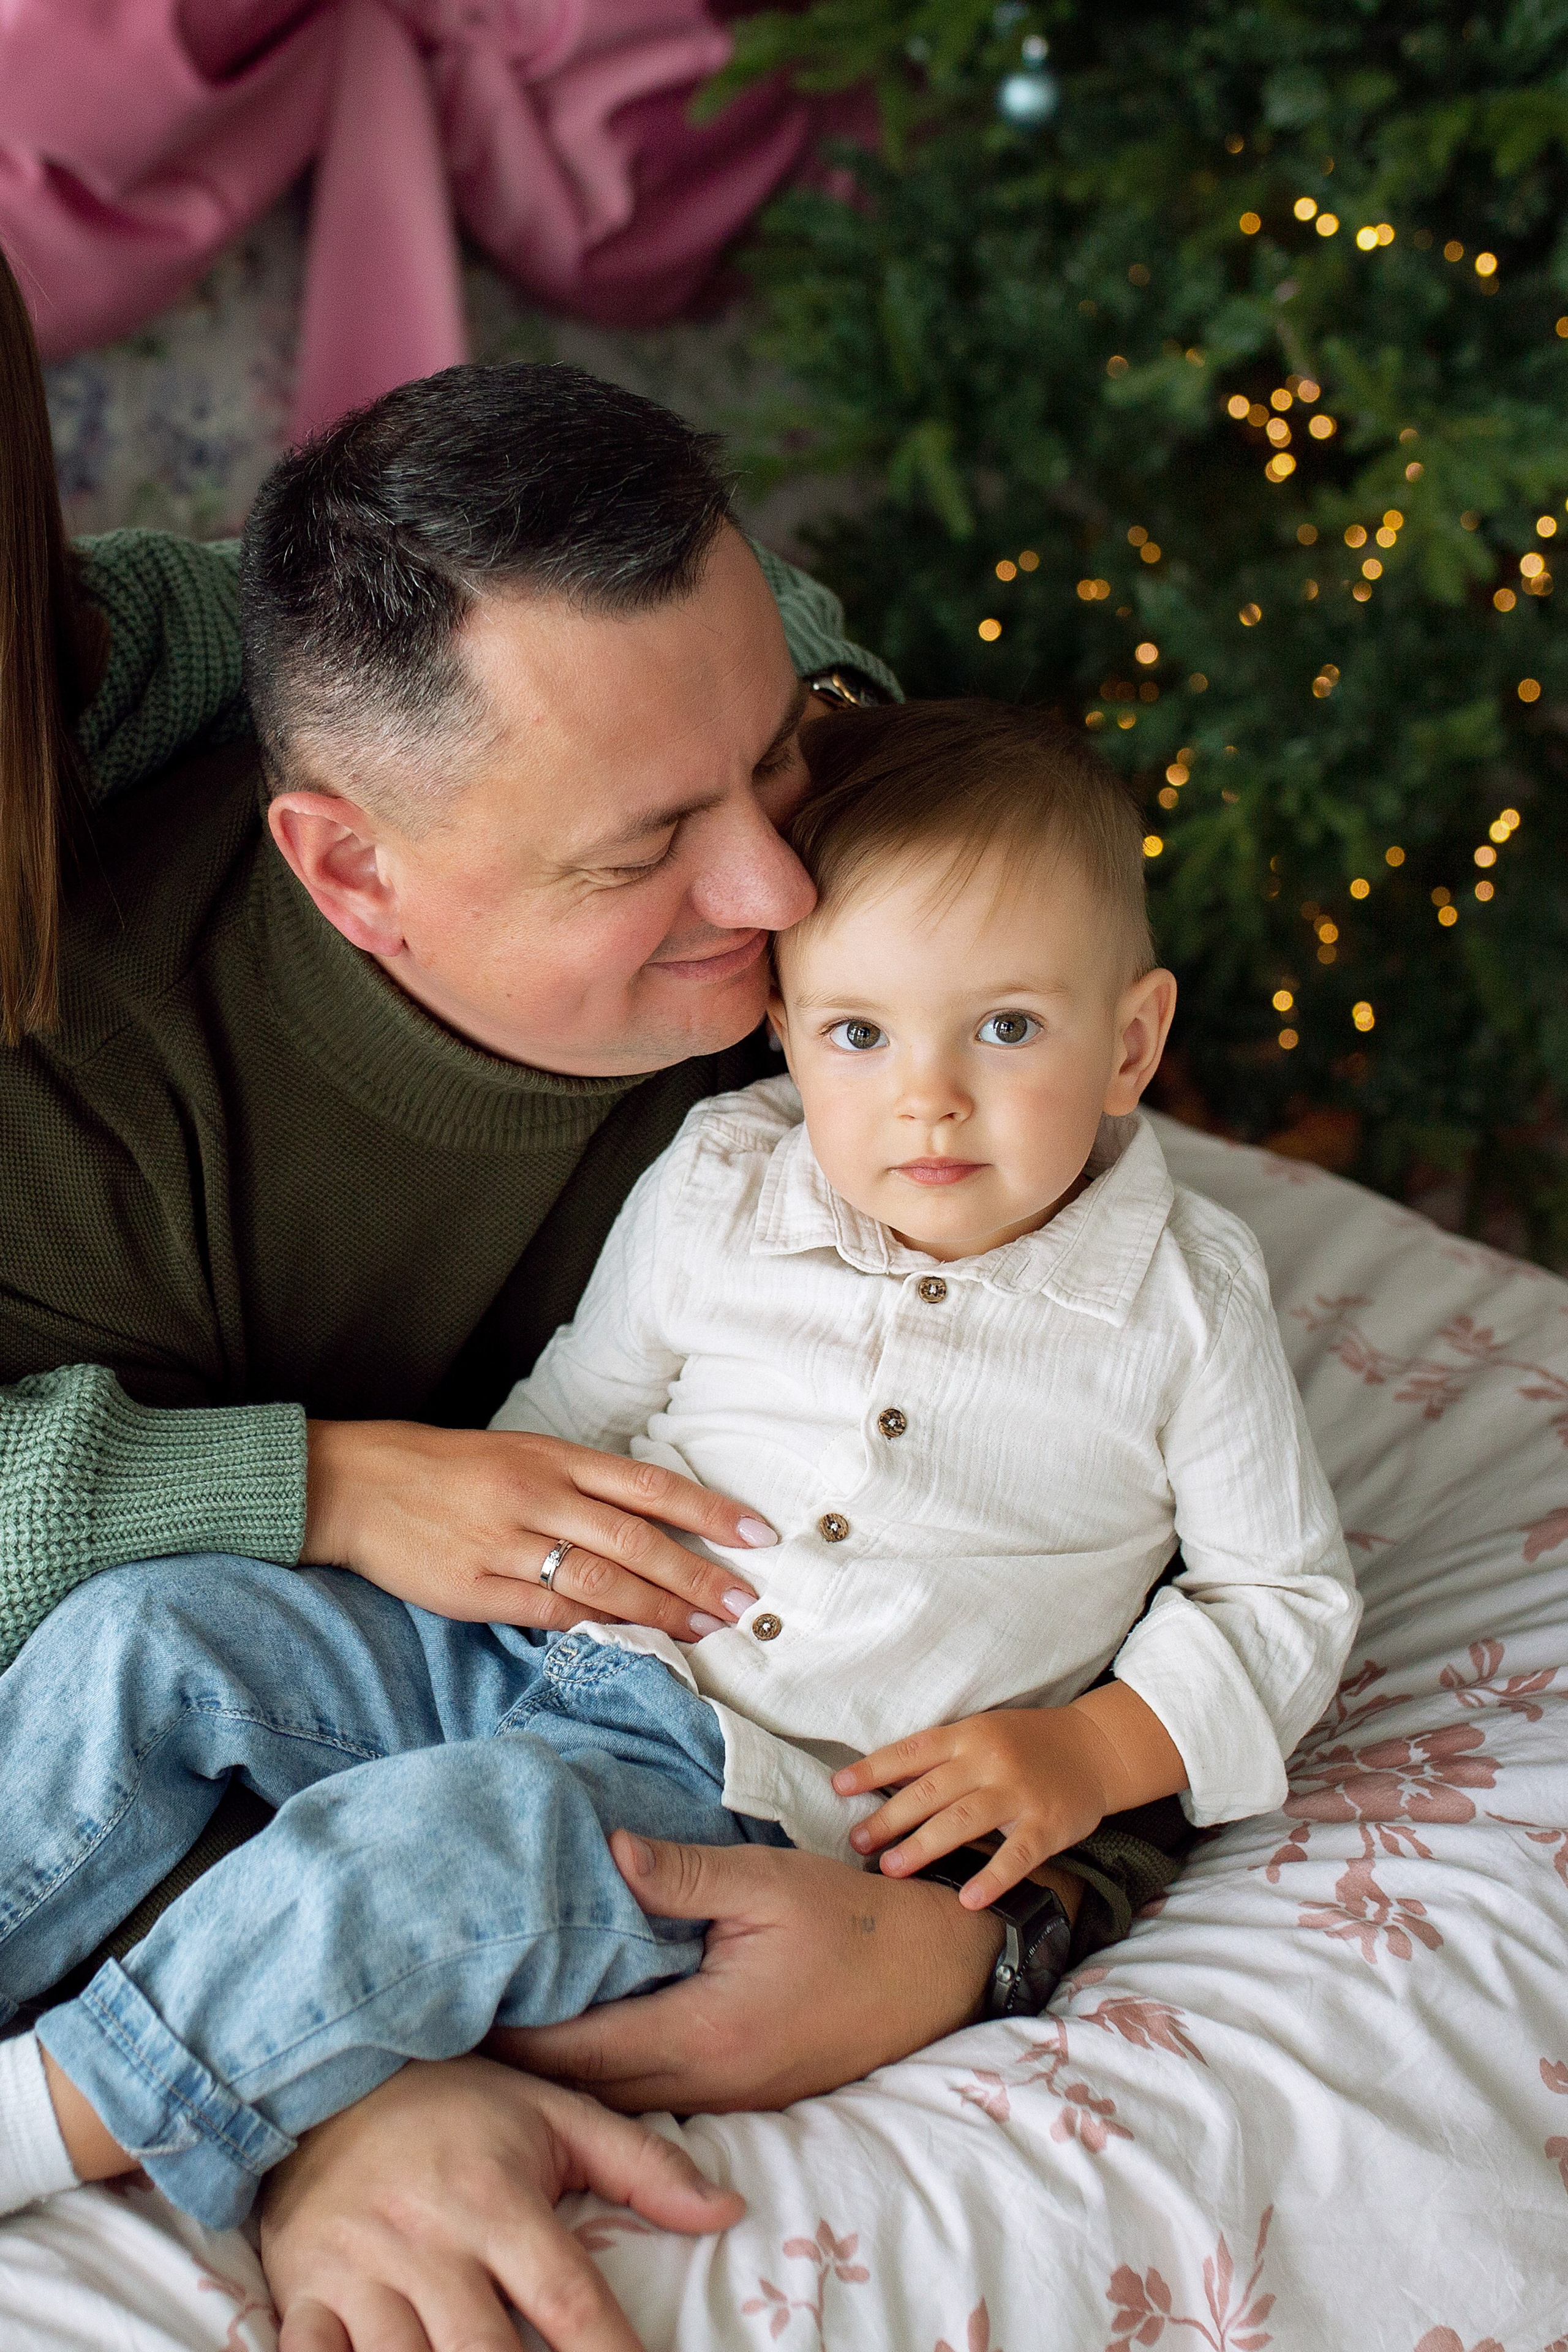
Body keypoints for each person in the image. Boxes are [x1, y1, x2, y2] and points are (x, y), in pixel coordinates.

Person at [0, 259, 1188, 2348]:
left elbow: (1110, 1505)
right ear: (348, 871)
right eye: (649, 848)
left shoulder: (893, 993)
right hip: (381, 1672)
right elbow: (121, 1708)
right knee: (135, 1653)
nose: (781, 895)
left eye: (786, 767)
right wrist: (355, 2088)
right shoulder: (97, 1113)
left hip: (712, 1764)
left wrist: (979, 1945)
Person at [0, 703, 1359, 2283]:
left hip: (765, 1794)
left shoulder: (1187, 1301)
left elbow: (1282, 1599)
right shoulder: (725, 1177)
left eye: (1005, 1031)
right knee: (154, 1631)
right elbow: (569, 1417)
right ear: (785, 1028)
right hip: (524, 1648)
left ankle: (56, 2113)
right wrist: (419, 1595)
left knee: (441, 1845)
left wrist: (1090, 1749)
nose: (927, 1099)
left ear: (1130, 1041)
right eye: (860, 1033)